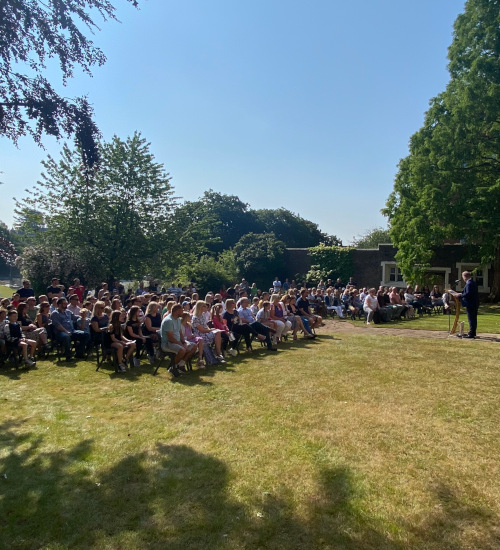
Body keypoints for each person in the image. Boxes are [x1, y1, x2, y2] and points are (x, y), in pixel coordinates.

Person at [161, 304, 197, 376]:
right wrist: (182, 346)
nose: (183, 312)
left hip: (177, 342)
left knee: (194, 346)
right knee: (182, 350)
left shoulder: (177, 319)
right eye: (182, 310)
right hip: (168, 343)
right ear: (177, 311)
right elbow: (170, 338)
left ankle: (181, 365)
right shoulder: (169, 321)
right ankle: (173, 367)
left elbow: (180, 333)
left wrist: (184, 343)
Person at [458, 271, 479, 339]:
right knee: (473, 319)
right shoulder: (473, 282)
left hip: (470, 304)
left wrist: (460, 295)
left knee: (471, 319)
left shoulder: (469, 283)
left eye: (463, 277)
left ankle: (471, 334)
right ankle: (473, 332)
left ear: (464, 277)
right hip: (474, 303)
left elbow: (468, 294)